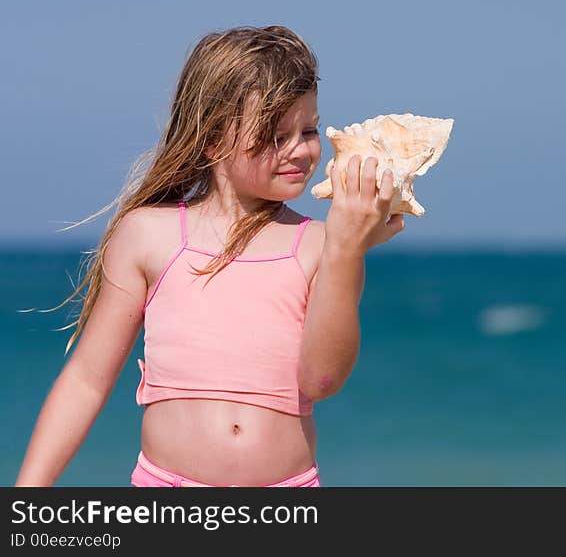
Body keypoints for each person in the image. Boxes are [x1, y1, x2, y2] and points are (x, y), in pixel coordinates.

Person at [14, 25, 405, 487]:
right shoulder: (148, 234)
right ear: (213, 138)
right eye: (276, 135)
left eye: (309, 130)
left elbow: (321, 379)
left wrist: (346, 248)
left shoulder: (322, 245)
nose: (301, 149)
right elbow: (87, 379)